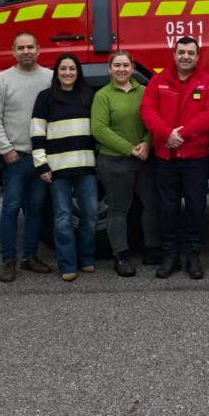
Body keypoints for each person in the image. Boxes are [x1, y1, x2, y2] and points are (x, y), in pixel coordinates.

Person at [140, 37, 209, 280]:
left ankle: (193, 255)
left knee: (196, 207)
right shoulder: (158, 80)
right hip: (166, 156)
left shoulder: (208, 82)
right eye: (181, 52)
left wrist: (182, 134)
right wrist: (166, 134)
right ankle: (171, 255)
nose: (186, 56)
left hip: (195, 157)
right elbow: (147, 110)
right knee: (167, 208)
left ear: (198, 56)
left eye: (191, 53)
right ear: (174, 54)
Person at [0, 32, 53, 282]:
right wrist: (5, 150)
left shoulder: (49, 78)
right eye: (20, 48)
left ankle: (29, 257)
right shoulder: (2, 80)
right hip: (15, 157)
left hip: (40, 157)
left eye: (30, 47)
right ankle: (8, 260)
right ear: (13, 52)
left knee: (36, 209)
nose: (26, 51)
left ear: (38, 49)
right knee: (11, 208)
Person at [91, 50, 159, 277]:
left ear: (132, 68)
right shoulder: (103, 95)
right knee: (118, 209)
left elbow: (155, 120)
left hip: (144, 158)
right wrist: (130, 149)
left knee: (151, 205)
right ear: (109, 69)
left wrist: (147, 143)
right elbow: (99, 129)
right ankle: (120, 255)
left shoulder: (145, 91)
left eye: (125, 65)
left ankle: (152, 249)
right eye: (117, 65)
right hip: (115, 161)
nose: (121, 69)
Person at [30, 54, 97, 282]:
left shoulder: (89, 95)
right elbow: (37, 133)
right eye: (63, 69)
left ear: (78, 72)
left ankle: (86, 259)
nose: (68, 73)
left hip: (86, 166)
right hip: (57, 169)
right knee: (62, 218)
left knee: (90, 215)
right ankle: (68, 264)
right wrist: (42, 164)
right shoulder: (45, 98)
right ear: (56, 72)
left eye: (72, 69)